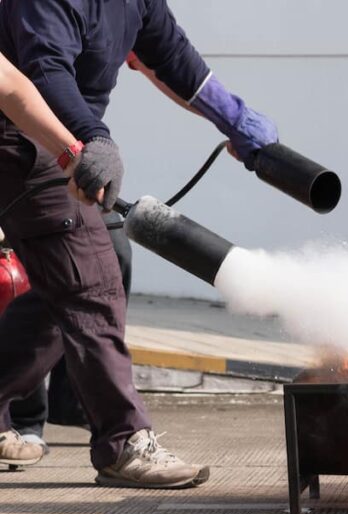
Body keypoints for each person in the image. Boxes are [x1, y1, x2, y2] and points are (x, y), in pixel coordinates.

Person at [0, 0, 279, 488]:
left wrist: (233, 117)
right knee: (91, 281)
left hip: (53, 134)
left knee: (75, 277)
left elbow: (171, 58)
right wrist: (86, 142)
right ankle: (123, 441)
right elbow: (42, 70)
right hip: (22, 132)